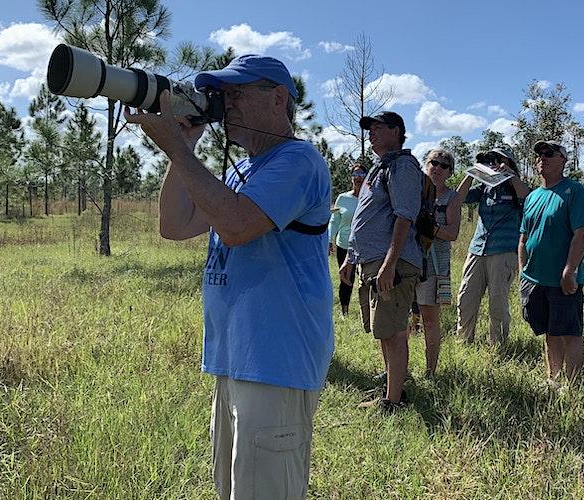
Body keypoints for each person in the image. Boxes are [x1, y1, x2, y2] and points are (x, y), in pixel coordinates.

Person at [125, 54, 334, 500]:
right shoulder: (242, 170)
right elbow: (175, 224)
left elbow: (237, 226)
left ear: (279, 99)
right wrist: (184, 148)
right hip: (237, 355)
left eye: (236, 93)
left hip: (276, 361)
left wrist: (176, 149)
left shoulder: (299, 161)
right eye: (221, 96)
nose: (225, 105)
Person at [339, 111, 422, 412]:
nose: (371, 132)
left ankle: (393, 401)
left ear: (397, 131)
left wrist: (390, 262)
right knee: (383, 329)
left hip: (393, 264)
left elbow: (404, 216)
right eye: (369, 128)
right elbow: (365, 218)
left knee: (394, 331)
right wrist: (351, 255)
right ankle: (393, 383)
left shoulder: (403, 166)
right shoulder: (378, 169)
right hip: (371, 261)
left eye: (378, 127)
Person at [519, 140, 584, 385]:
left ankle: (571, 385)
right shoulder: (533, 196)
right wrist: (523, 272)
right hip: (534, 279)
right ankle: (553, 379)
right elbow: (523, 238)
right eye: (539, 154)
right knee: (550, 331)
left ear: (563, 160)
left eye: (549, 154)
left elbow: (582, 232)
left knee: (570, 332)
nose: (543, 157)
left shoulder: (574, 191)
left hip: (562, 280)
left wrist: (569, 270)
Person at [455, 146, 530, 346]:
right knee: (466, 297)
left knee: (497, 301)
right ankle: (463, 341)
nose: (494, 163)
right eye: (492, 160)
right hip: (477, 249)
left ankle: (497, 345)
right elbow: (459, 198)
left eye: (499, 160)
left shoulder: (515, 187)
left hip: (504, 251)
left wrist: (510, 174)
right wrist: (473, 172)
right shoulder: (484, 188)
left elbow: (527, 196)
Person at [412, 147, 467, 376]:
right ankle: (398, 370)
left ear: (450, 172)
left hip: (433, 267)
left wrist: (431, 227)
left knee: (429, 320)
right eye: (434, 163)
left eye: (444, 166)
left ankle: (430, 371)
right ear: (426, 164)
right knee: (403, 319)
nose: (437, 168)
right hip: (407, 263)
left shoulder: (452, 198)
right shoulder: (414, 192)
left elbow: (453, 233)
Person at [329, 163, 367, 317]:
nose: (358, 177)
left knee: (365, 280)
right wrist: (330, 239)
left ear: (366, 177)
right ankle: (344, 311)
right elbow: (334, 220)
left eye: (361, 174)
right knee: (346, 277)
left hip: (365, 246)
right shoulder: (343, 198)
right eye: (355, 174)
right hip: (344, 244)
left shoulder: (370, 196)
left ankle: (367, 310)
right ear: (351, 178)